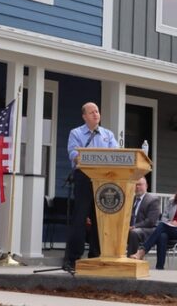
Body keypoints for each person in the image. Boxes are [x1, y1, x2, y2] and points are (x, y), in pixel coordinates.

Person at [63, 102, 118, 272]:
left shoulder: (108, 134)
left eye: (97, 111)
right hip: (84, 179)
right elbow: (73, 154)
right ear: (84, 116)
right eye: (91, 112)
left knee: (99, 220)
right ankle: (72, 260)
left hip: (104, 181)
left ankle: (96, 256)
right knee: (79, 219)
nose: (96, 114)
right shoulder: (76, 133)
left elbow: (116, 154)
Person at [130, 176, 177, 270]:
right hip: (170, 229)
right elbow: (164, 217)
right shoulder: (172, 200)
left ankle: (142, 251)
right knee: (162, 235)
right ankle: (159, 267)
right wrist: (171, 222)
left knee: (162, 226)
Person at [127, 176, 161, 256]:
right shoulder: (131, 200)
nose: (137, 187)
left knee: (134, 233)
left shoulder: (153, 200)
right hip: (133, 228)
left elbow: (151, 221)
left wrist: (134, 226)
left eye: (140, 184)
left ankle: (132, 259)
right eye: (135, 185)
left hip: (148, 230)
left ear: (146, 186)